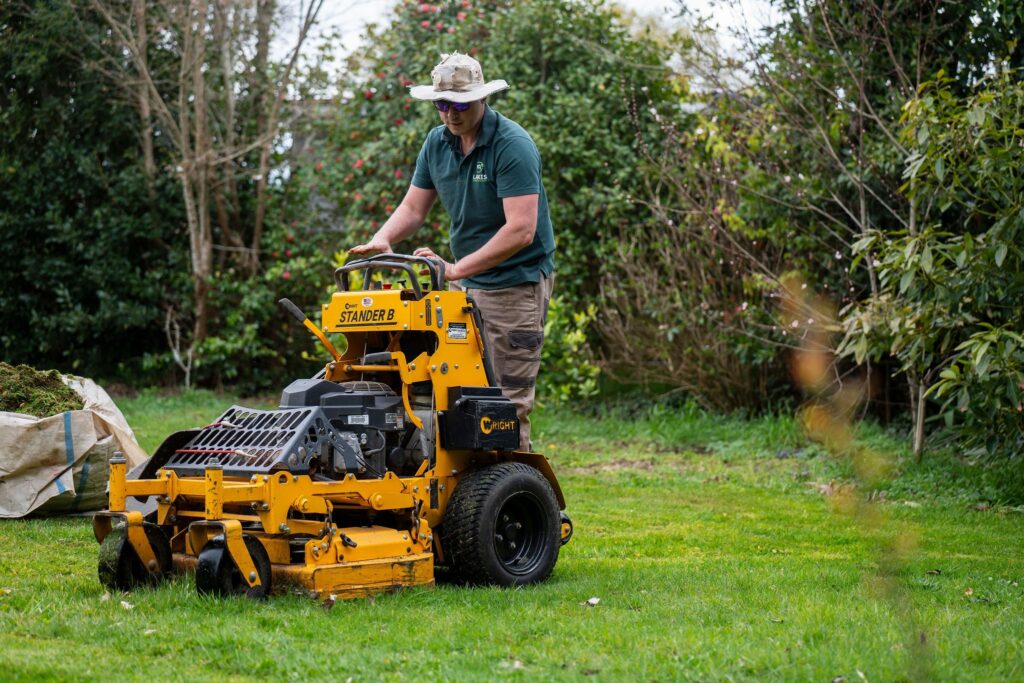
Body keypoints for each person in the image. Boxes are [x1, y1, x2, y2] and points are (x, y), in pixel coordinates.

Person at [349, 52, 555, 451]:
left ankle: (512, 500)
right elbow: (413, 207)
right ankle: (463, 505)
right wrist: (384, 239)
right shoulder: (437, 142)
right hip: (464, 284)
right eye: (442, 105)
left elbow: (521, 229)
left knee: (504, 404)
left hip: (514, 284)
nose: (450, 114)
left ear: (481, 99)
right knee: (454, 393)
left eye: (460, 104)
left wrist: (456, 269)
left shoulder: (512, 145)